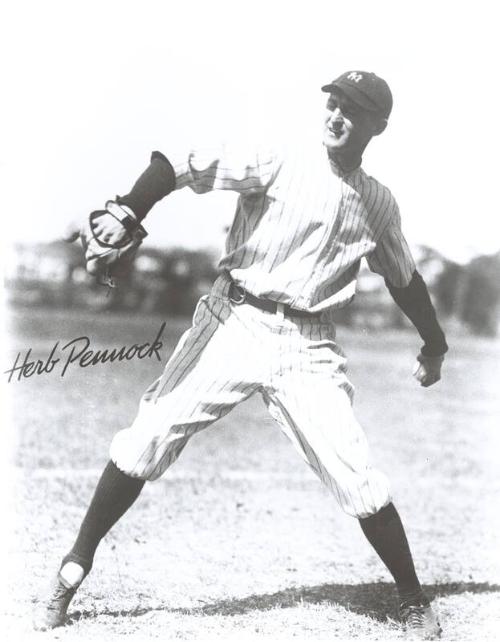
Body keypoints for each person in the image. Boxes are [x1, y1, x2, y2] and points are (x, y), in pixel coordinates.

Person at [34, 71, 447, 639]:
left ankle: (412, 598)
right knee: (148, 435)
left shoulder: (377, 202)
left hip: (309, 342)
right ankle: (72, 568)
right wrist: (131, 209)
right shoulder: (279, 158)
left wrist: (436, 340)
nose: (336, 114)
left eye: (353, 109)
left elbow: (403, 278)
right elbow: (185, 163)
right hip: (235, 318)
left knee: (357, 475)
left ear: (378, 126)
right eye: (332, 101)